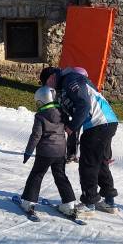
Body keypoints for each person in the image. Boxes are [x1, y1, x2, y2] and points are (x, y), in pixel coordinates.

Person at [40, 66, 119, 214]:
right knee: (100, 161)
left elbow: (84, 105)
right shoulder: (69, 83)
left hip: (98, 124)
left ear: (50, 78)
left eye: (47, 86)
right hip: (107, 121)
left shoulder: (70, 80)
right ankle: (109, 201)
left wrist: (72, 127)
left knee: (87, 164)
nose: (49, 90)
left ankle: (89, 203)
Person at [18, 86, 86, 218]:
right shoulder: (62, 113)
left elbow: (35, 136)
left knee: (37, 175)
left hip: (45, 152)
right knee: (61, 176)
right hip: (60, 152)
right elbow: (69, 128)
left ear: (42, 100)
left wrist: (28, 152)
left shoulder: (40, 116)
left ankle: (29, 202)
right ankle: (69, 204)